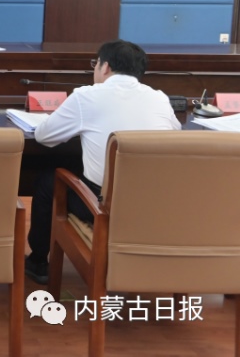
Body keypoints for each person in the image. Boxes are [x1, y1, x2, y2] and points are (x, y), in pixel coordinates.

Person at [24, 39, 180, 284]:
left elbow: (44, 136)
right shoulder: (159, 98)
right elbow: (175, 135)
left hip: (100, 206)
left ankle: (38, 262)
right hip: (152, 204)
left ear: (104, 66)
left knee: (47, 181)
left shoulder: (87, 96)